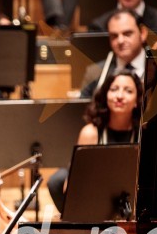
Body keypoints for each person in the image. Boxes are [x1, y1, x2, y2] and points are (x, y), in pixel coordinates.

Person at [49, 71, 142, 210]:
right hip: (94, 203)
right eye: (114, 89)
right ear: (105, 95)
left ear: (137, 101)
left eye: (128, 91)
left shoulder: (144, 133)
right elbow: (71, 187)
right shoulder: (90, 133)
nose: (119, 96)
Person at [80, 10, 147, 98]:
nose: (120, 41)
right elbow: (83, 106)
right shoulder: (94, 72)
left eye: (127, 34)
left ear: (142, 33)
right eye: (114, 36)